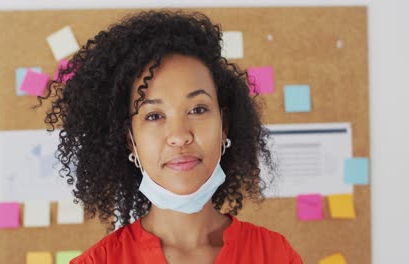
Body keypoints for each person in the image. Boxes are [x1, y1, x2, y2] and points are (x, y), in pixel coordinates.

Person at [39, 9, 303, 264]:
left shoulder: (275, 255)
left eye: (198, 109)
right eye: (154, 115)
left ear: (224, 126)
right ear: (130, 139)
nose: (179, 136)